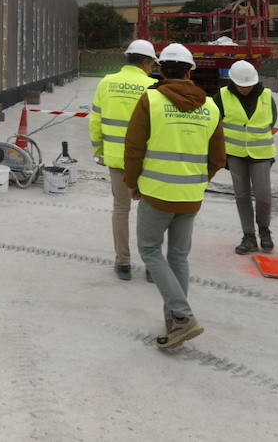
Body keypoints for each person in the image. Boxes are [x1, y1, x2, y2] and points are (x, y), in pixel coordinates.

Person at [125, 43, 225, 349]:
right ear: (190, 70)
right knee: (178, 256)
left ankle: (181, 316)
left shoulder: (151, 100)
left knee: (150, 250)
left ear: (161, 69)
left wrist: (133, 183)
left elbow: (134, 147)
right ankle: (174, 321)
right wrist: (197, 181)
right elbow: (218, 157)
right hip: (191, 195)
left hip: (157, 192)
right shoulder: (209, 106)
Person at [88, 39, 158, 280]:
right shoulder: (153, 86)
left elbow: (95, 121)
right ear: (146, 62)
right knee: (150, 212)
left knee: (121, 209)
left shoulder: (106, 83)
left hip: (117, 159)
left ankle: (123, 264)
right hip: (148, 161)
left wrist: (99, 151)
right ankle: (152, 265)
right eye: (152, 64)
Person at [214, 60, 278, 255]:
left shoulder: (266, 96)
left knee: (263, 196)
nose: (245, 88)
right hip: (235, 154)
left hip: (261, 154)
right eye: (241, 85)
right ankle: (249, 236)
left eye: (248, 84)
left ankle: (264, 230)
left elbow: (272, 120)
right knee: (241, 196)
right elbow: (215, 124)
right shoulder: (222, 96)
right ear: (233, 82)